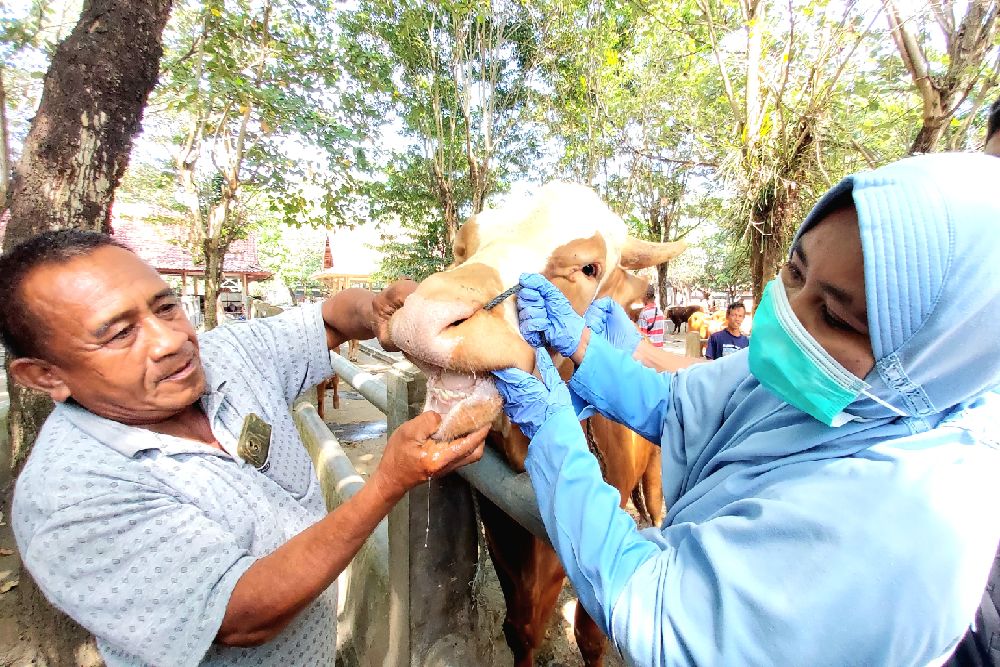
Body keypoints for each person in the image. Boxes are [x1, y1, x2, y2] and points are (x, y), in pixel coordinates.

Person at [492, 153, 1000, 666]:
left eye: (834, 315)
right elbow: (682, 406)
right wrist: (584, 348)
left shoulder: (909, 523)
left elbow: (662, 615)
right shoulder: (821, 380)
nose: (786, 316)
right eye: (796, 272)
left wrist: (554, 436)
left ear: (932, 355)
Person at [1, 230, 487, 667]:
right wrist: (387, 482)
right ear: (46, 375)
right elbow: (243, 617)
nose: (171, 340)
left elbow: (331, 318)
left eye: (166, 307)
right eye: (120, 333)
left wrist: (378, 310)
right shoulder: (70, 499)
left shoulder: (224, 356)